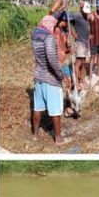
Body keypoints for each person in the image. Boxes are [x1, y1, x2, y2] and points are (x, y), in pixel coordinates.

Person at [31, 15, 64, 144]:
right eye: (54, 26)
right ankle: (58, 137)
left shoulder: (35, 34)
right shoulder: (49, 38)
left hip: (38, 76)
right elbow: (51, 59)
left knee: (38, 107)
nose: (55, 28)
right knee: (55, 110)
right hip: (50, 78)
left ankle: (35, 134)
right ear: (51, 25)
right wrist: (60, 74)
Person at [49, 0, 74, 110]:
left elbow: (68, 50)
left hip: (63, 62)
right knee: (57, 85)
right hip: (55, 62)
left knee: (69, 83)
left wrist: (69, 47)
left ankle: (67, 107)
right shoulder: (53, 27)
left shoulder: (65, 32)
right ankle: (55, 109)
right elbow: (52, 11)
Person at [70, 1, 91, 90]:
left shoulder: (87, 17)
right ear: (81, 9)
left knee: (83, 63)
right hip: (79, 42)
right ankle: (76, 82)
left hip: (86, 43)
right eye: (84, 10)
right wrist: (73, 33)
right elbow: (68, 23)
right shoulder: (77, 17)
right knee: (78, 63)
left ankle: (83, 80)